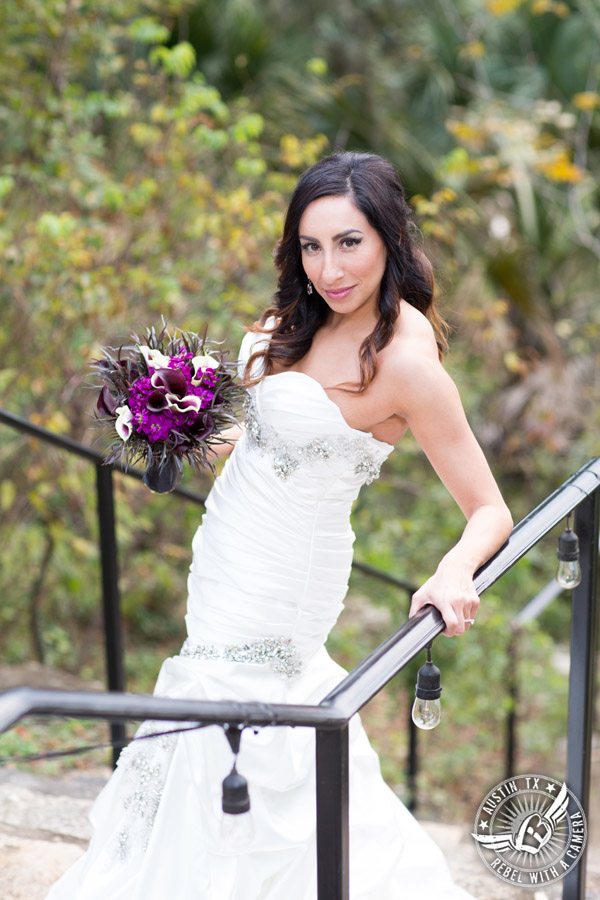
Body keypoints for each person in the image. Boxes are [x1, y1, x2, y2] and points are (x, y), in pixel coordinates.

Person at [46, 151, 513, 899]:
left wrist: (453, 571)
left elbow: (490, 508)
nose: (331, 267)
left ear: (390, 237)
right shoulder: (294, 324)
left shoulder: (404, 361)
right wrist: (181, 425)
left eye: (350, 242)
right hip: (229, 556)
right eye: (311, 245)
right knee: (212, 693)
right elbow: (263, 447)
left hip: (287, 582)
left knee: (248, 705)